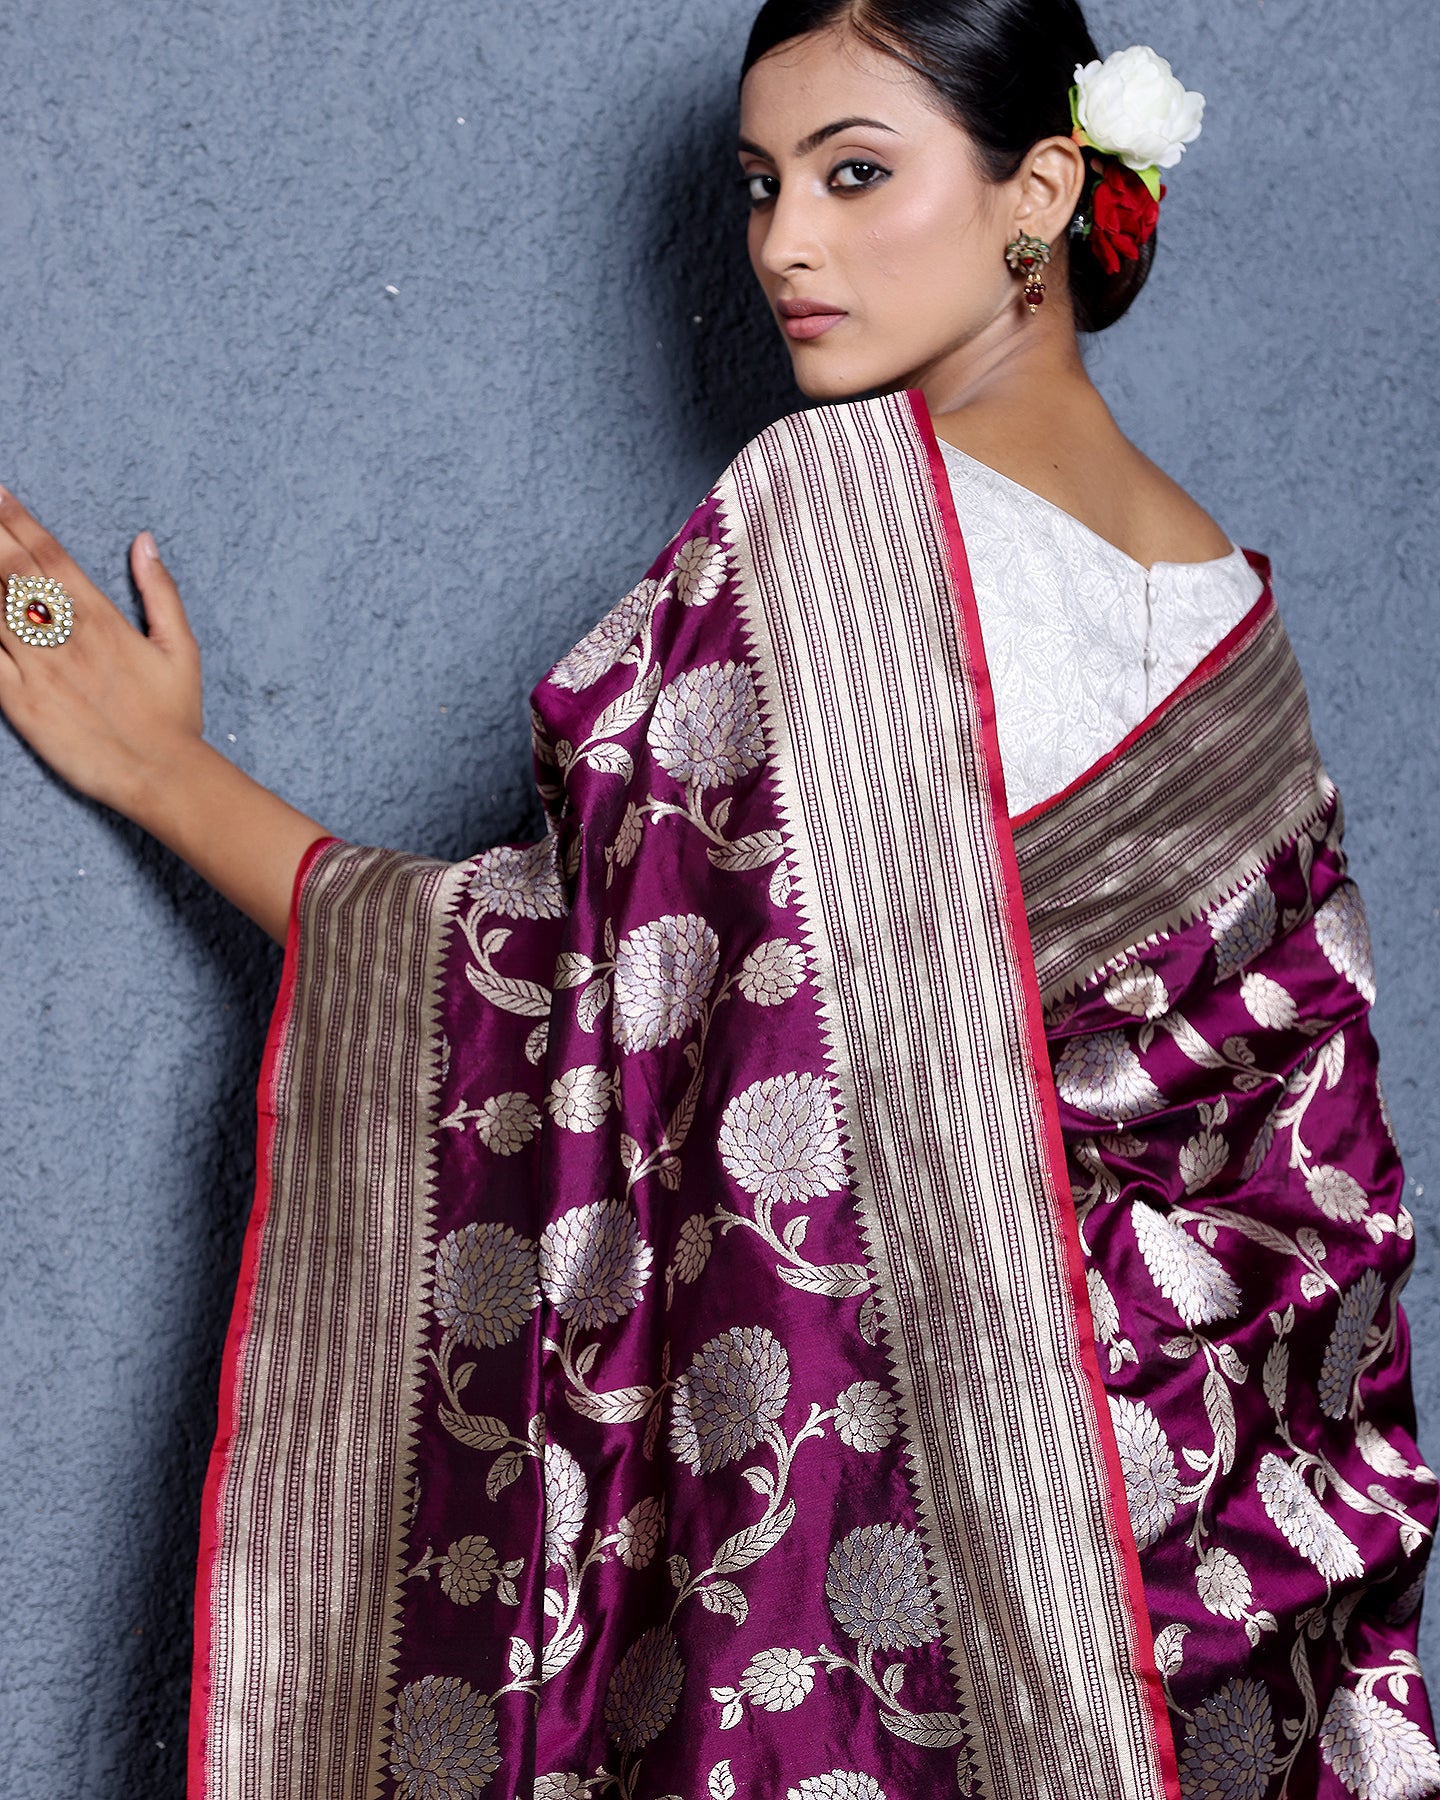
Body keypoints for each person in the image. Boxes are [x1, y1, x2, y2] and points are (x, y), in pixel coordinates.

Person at [1, 1, 1434, 1795]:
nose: (784, 245)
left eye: (855, 174)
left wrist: (160, 772)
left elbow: (573, 985)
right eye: (762, 185)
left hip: (906, 1552)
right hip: (1165, 1596)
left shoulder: (831, 530)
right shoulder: (1229, 610)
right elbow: (1295, 1175)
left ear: (1043, 190)